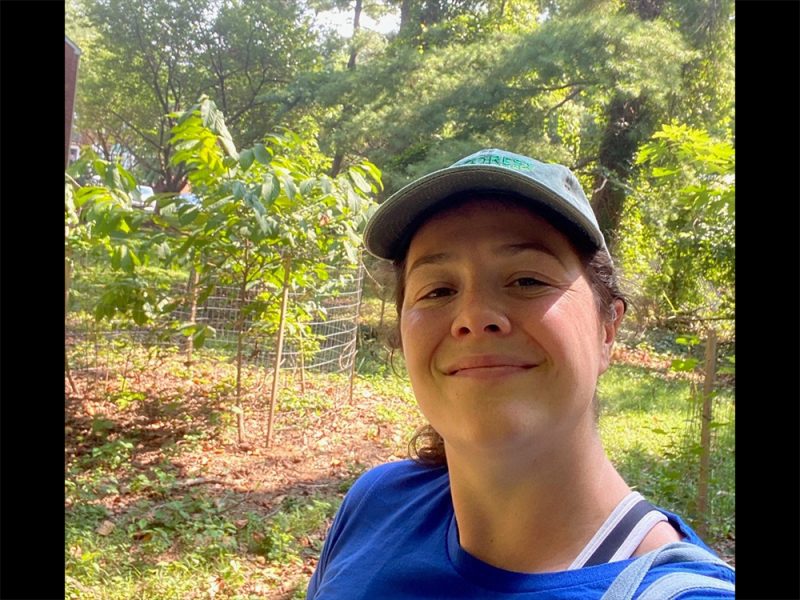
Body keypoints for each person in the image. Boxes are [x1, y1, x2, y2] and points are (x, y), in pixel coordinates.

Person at [306, 149, 735, 598]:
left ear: (607, 329)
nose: (473, 317)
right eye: (438, 290)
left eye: (526, 280)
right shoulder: (378, 504)